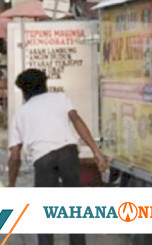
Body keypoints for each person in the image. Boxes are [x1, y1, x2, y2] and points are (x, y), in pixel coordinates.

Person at [8, 69, 108, 245]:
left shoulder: (20, 114)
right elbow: (77, 121)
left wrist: (11, 184)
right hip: (68, 153)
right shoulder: (60, 98)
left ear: (23, 91)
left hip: (43, 159)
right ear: (45, 84)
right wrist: (96, 152)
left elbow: (15, 155)